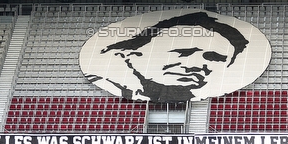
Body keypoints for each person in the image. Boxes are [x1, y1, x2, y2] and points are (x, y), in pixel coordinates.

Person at [85, 11, 251, 102]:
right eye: (184, 52)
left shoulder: (197, 95)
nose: (198, 64)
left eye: (215, 58)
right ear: (133, 55)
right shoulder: (107, 81)